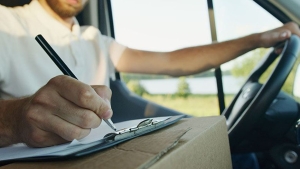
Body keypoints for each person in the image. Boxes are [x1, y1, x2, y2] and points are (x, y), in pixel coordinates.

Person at [0, 0, 299, 148]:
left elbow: (172, 62)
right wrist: (15, 119)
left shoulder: (94, 39)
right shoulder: (6, 23)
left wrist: (257, 40)